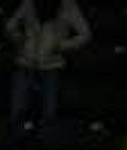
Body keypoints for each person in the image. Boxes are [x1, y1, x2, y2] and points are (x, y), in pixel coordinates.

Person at [5, 0, 90, 133]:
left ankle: (44, 145)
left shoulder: (69, 6)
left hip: (52, 66)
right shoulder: (29, 3)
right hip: (25, 63)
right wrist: (19, 39)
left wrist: (62, 46)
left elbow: (85, 34)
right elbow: (10, 25)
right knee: (16, 113)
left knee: (48, 114)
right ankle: (16, 145)